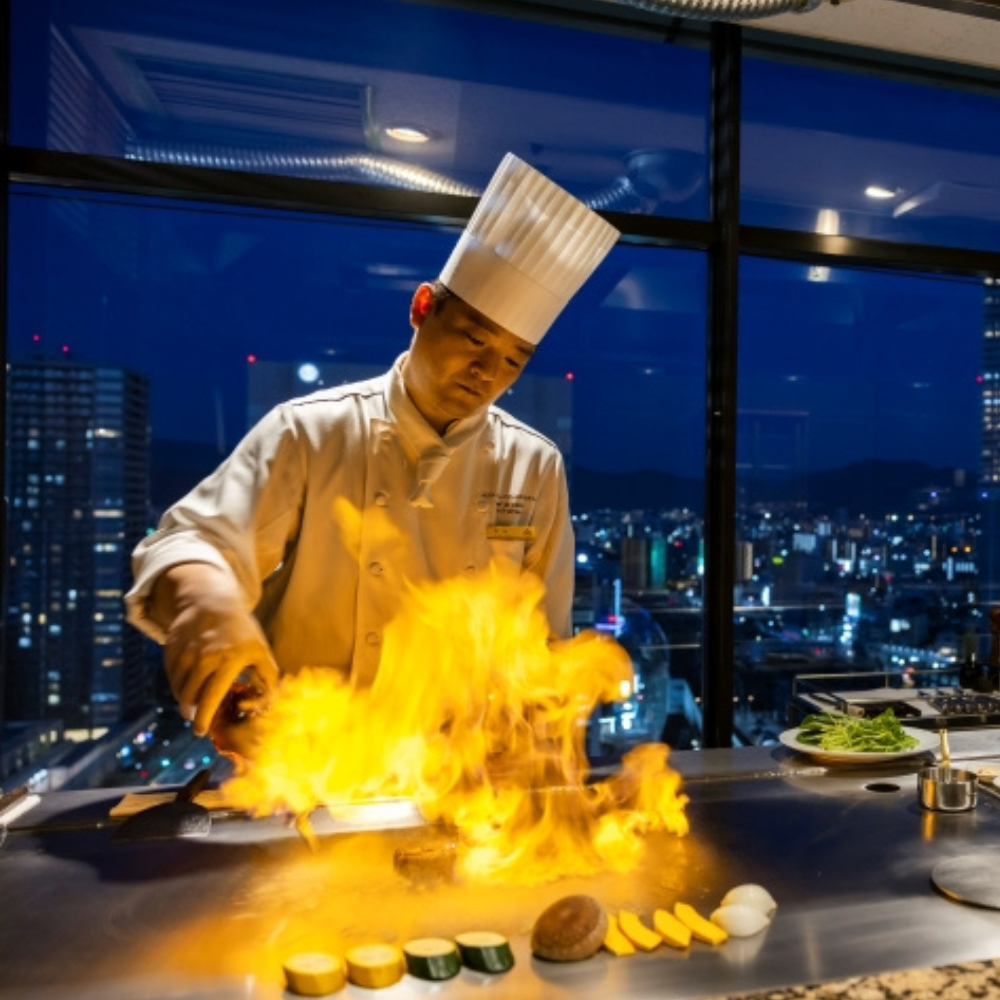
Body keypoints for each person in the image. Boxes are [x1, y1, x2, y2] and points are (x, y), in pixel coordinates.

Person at [125, 153, 620, 738]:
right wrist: (203, 599)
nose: (488, 372)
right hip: (312, 767)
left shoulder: (533, 464)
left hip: (462, 779)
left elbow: (544, 637)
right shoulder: (311, 431)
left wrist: (542, 726)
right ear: (421, 308)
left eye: (514, 360)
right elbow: (190, 540)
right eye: (474, 340)